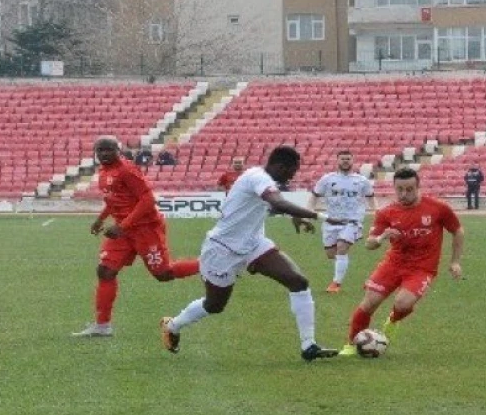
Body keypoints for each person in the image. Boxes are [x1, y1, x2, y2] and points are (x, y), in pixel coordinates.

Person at [160, 145, 340, 362]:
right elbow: (277, 202)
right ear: (279, 166)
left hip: (254, 244)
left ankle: (308, 346)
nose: (292, 177)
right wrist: (321, 217)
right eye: (291, 172)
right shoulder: (258, 177)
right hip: (222, 249)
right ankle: (173, 325)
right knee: (214, 305)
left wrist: (296, 216)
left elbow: (268, 206)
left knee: (298, 281)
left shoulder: (264, 180)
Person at [72, 135, 201, 337]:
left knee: (163, 274)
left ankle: (209, 265)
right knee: (105, 271)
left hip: (145, 229)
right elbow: (114, 199)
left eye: (109, 149)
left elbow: (148, 199)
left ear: (118, 150)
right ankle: (102, 326)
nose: (104, 154)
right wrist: (101, 219)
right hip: (123, 231)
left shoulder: (127, 170)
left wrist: (123, 225)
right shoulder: (104, 171)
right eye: (100, 150)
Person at [339, 167, 463, 356]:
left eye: (409, 189)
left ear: (418, 187)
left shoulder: (437, 208)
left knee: (403, 303)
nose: (404, 194)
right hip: (393, 264)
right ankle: (351, 343)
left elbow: (457, 231)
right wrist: (382, 238)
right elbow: (369, 244)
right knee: (369, 302)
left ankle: (393, 319)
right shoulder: (386, 212)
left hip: (422, 267)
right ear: (394, 188)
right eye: (400, 190)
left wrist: (455, 261)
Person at [308, 150, 376, 293]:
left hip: (352, 221)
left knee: (342, 248)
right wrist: (308, 211)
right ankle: (343, 265)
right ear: (337, 161)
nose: (345, 161)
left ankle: (336, 284)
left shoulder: (361, 180)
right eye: (342, 159)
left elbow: (370, 197)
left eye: (348, 159)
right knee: (331, 254)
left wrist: (377, 214)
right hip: (331, 221)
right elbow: (314, 195)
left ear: (353, 161)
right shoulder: (327, 179)